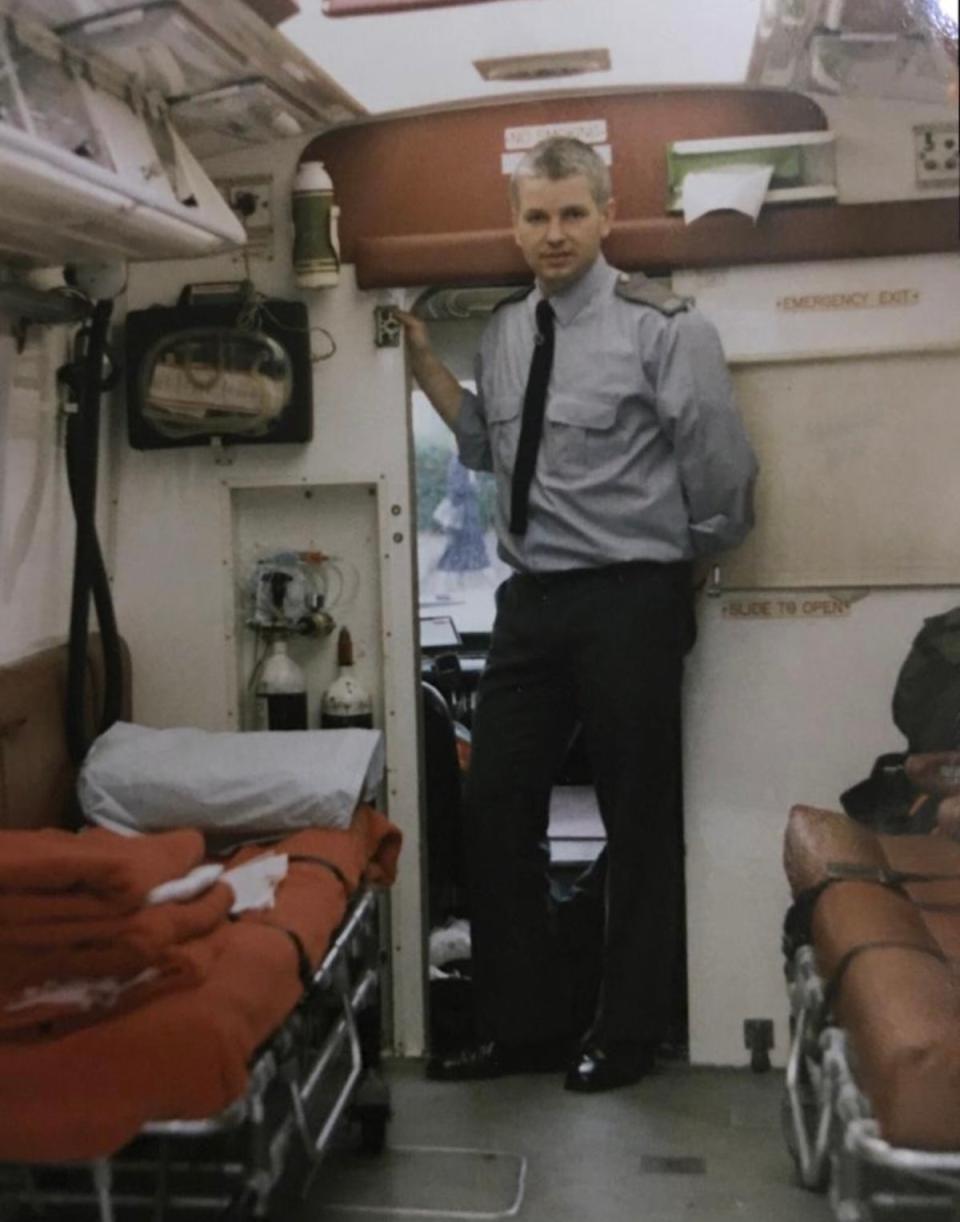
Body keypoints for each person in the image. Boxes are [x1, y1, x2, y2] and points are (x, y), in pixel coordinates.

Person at [396, 136, 757, 1093]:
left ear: (605, 217)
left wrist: (678, 570)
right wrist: (426, 361)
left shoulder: (664, 330)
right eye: (535, 216)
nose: (552, 234)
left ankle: (626, 1030)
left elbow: (723, 473)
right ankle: (528, 1029)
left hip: (629, 597)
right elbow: (482, 444)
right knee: (492, 807)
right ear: (514, 225)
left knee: (636, 818)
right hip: (532, 605)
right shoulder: (508, 331)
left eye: (570, 214)